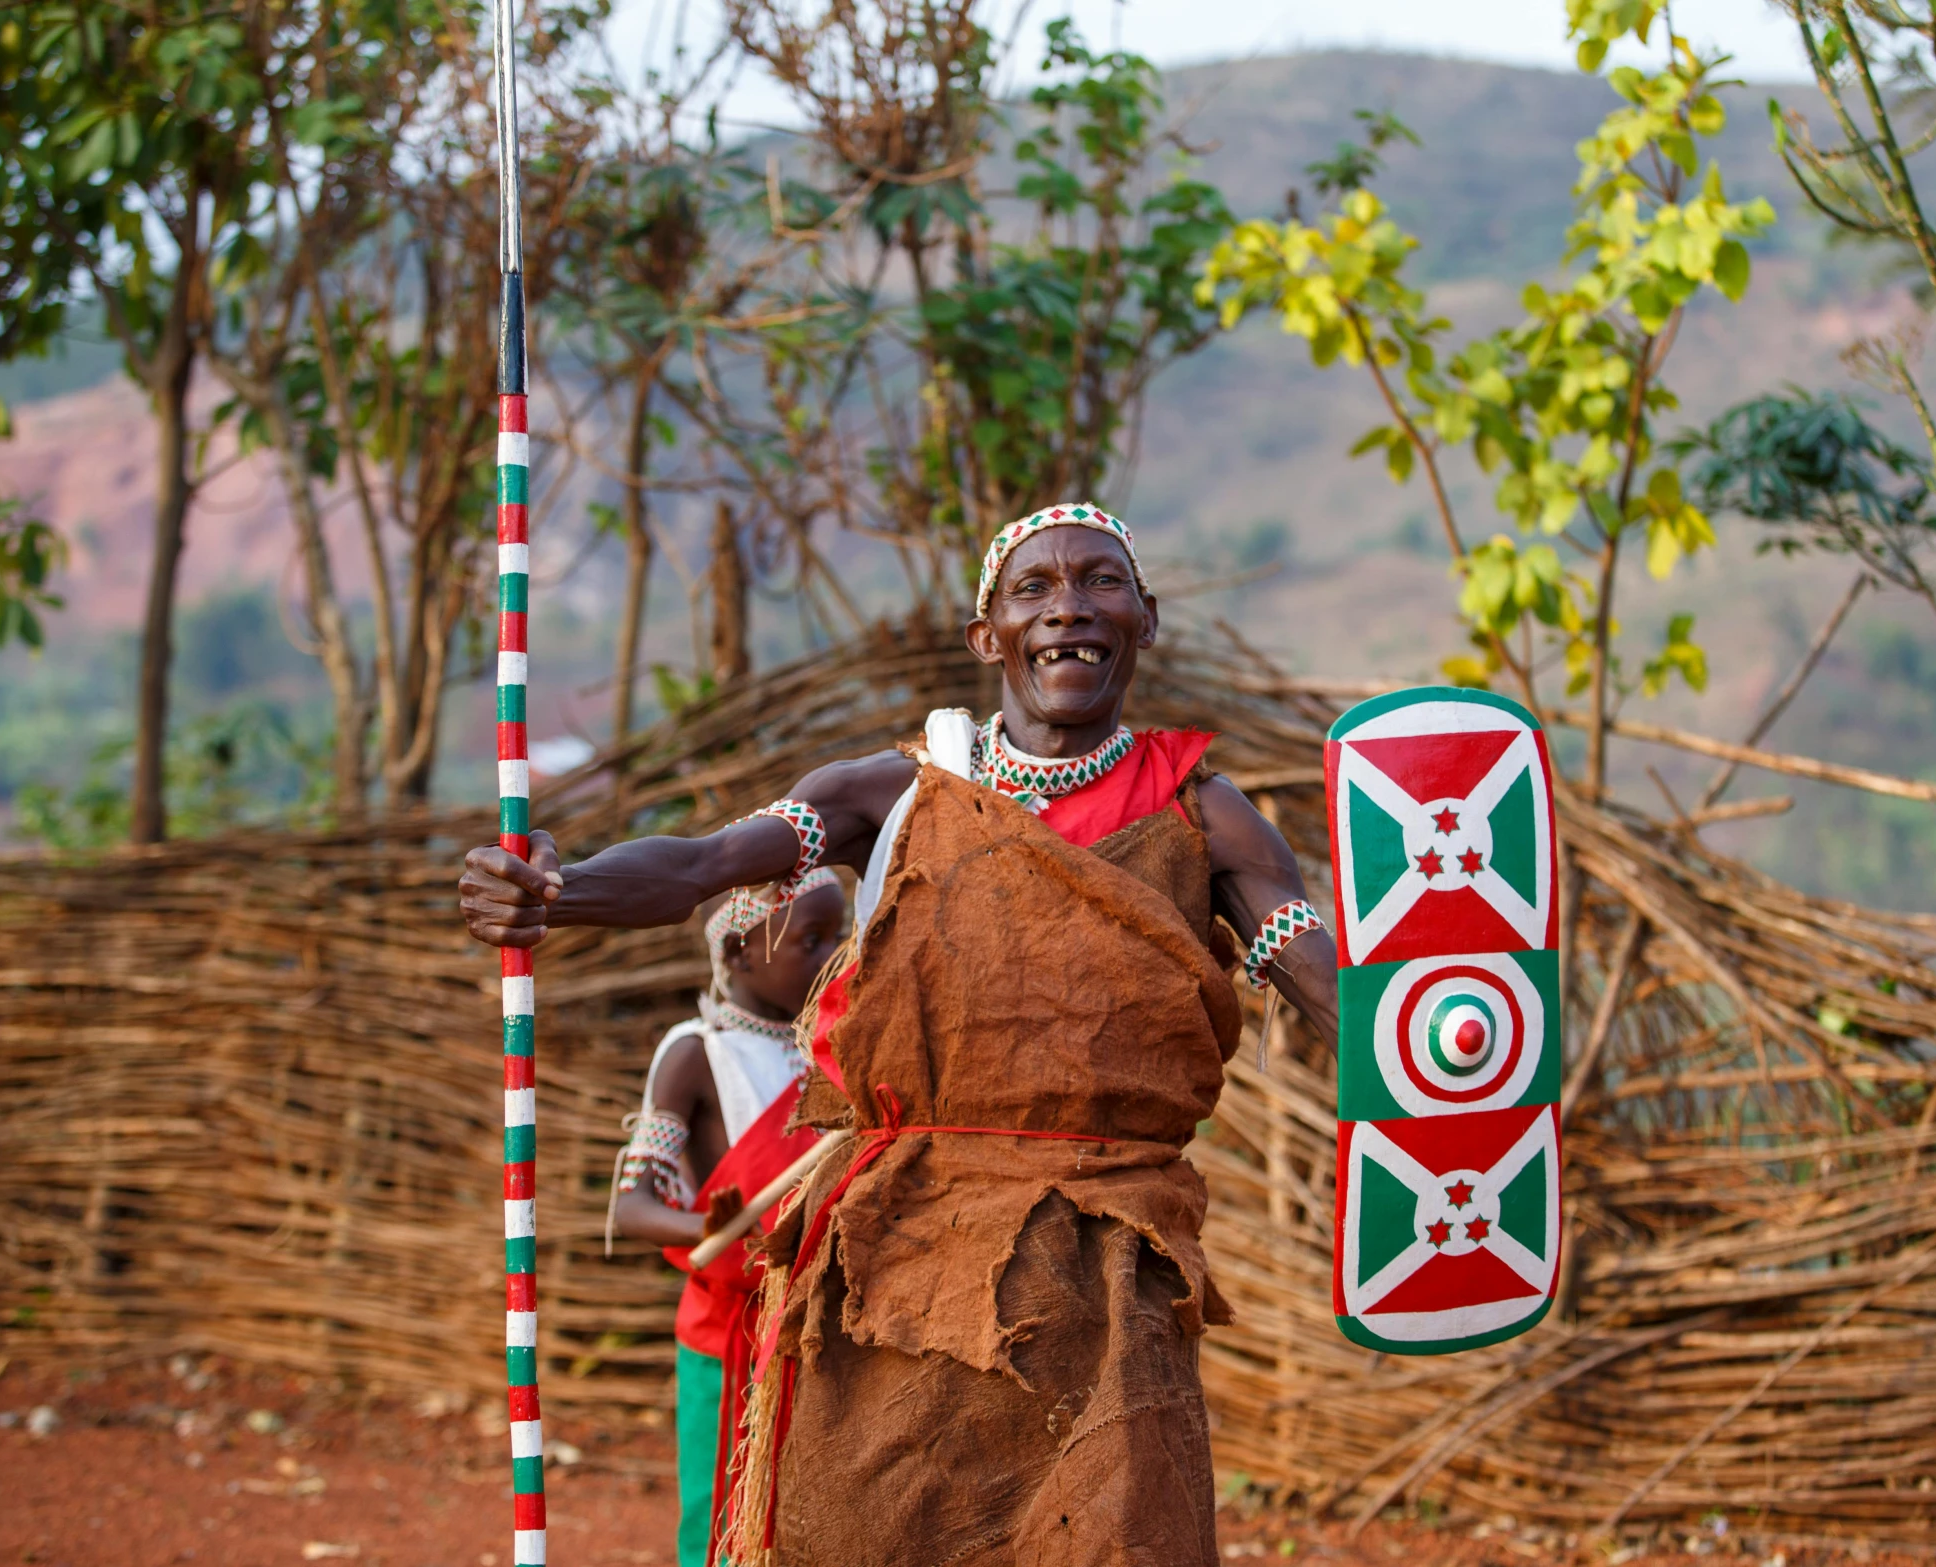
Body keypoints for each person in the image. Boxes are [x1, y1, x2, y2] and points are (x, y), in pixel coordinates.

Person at [460, 501, 1340, 1567]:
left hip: (1110, 1276)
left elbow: (1320, 977)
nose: (1070, 606)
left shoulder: (1206, 818)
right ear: (987, 638)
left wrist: (1452, 1047)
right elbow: (705, 865)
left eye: (1101, 582)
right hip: (896, 1268)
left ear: (1145, 619)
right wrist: (559, 892)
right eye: (1034, 587)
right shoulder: (894, 792)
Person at [605, 871, 846, 1567]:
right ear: (739, 951)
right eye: (812, 939)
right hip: (727, 1331)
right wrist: (712, 1229)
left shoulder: (830, 1046)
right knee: (719, 1517)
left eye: (838, 935)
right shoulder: (694, 1052)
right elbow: (633, 1203)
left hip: (818, 1322)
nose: (832, 955)